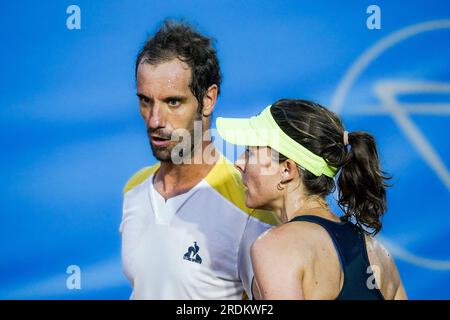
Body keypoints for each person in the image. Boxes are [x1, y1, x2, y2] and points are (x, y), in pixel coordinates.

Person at [120, 20, 278, 300]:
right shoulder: (134, 188)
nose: (155, 120)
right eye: (145, 101)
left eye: (173, 102)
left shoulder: (251, 206)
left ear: (208, 100)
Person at [216, 99, 407, 300]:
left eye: (250, 152)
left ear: (286, 169)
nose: (238, 163)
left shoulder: (276, 246)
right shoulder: (379, 254)